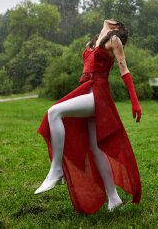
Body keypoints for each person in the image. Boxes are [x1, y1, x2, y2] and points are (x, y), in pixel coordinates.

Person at [35, 19, 142, 214]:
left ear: (117, 28)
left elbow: (124, 70)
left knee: (54, 112)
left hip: (99, 93)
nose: (111, 19)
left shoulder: (114, 39)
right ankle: (114, 198)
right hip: (87, 90)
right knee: (95, 148)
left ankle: (57, 169)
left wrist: (134, 101)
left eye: (115, 21)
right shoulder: (92, 43)